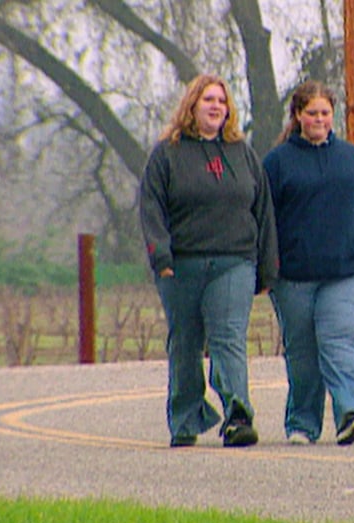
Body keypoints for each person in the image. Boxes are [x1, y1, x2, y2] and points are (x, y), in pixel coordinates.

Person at [139, 73, 278, 448]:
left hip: (234, 262)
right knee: (185, 343)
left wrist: (267, 267)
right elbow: (151, 209)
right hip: (181, 265)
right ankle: (184, 420)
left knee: (228, 337)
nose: (216, 106)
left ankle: (238, 414)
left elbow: (262, 210)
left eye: (221, 100)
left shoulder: (242, 153)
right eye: (208, 100)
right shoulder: (167, 153)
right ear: (192, 106)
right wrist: (161, 257)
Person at [263, 80, 354, 446]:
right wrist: (265, 271)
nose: (319, 119)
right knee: (303, 355)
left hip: (348, 273)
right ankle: (302, 424)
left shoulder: (352, 159)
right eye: (312, 113)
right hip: (293, 277)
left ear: (333, 116)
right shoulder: (276, 163)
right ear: (298, 116)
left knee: (340, 344)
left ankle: (350, 411)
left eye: (325, 113)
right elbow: (263, 221)